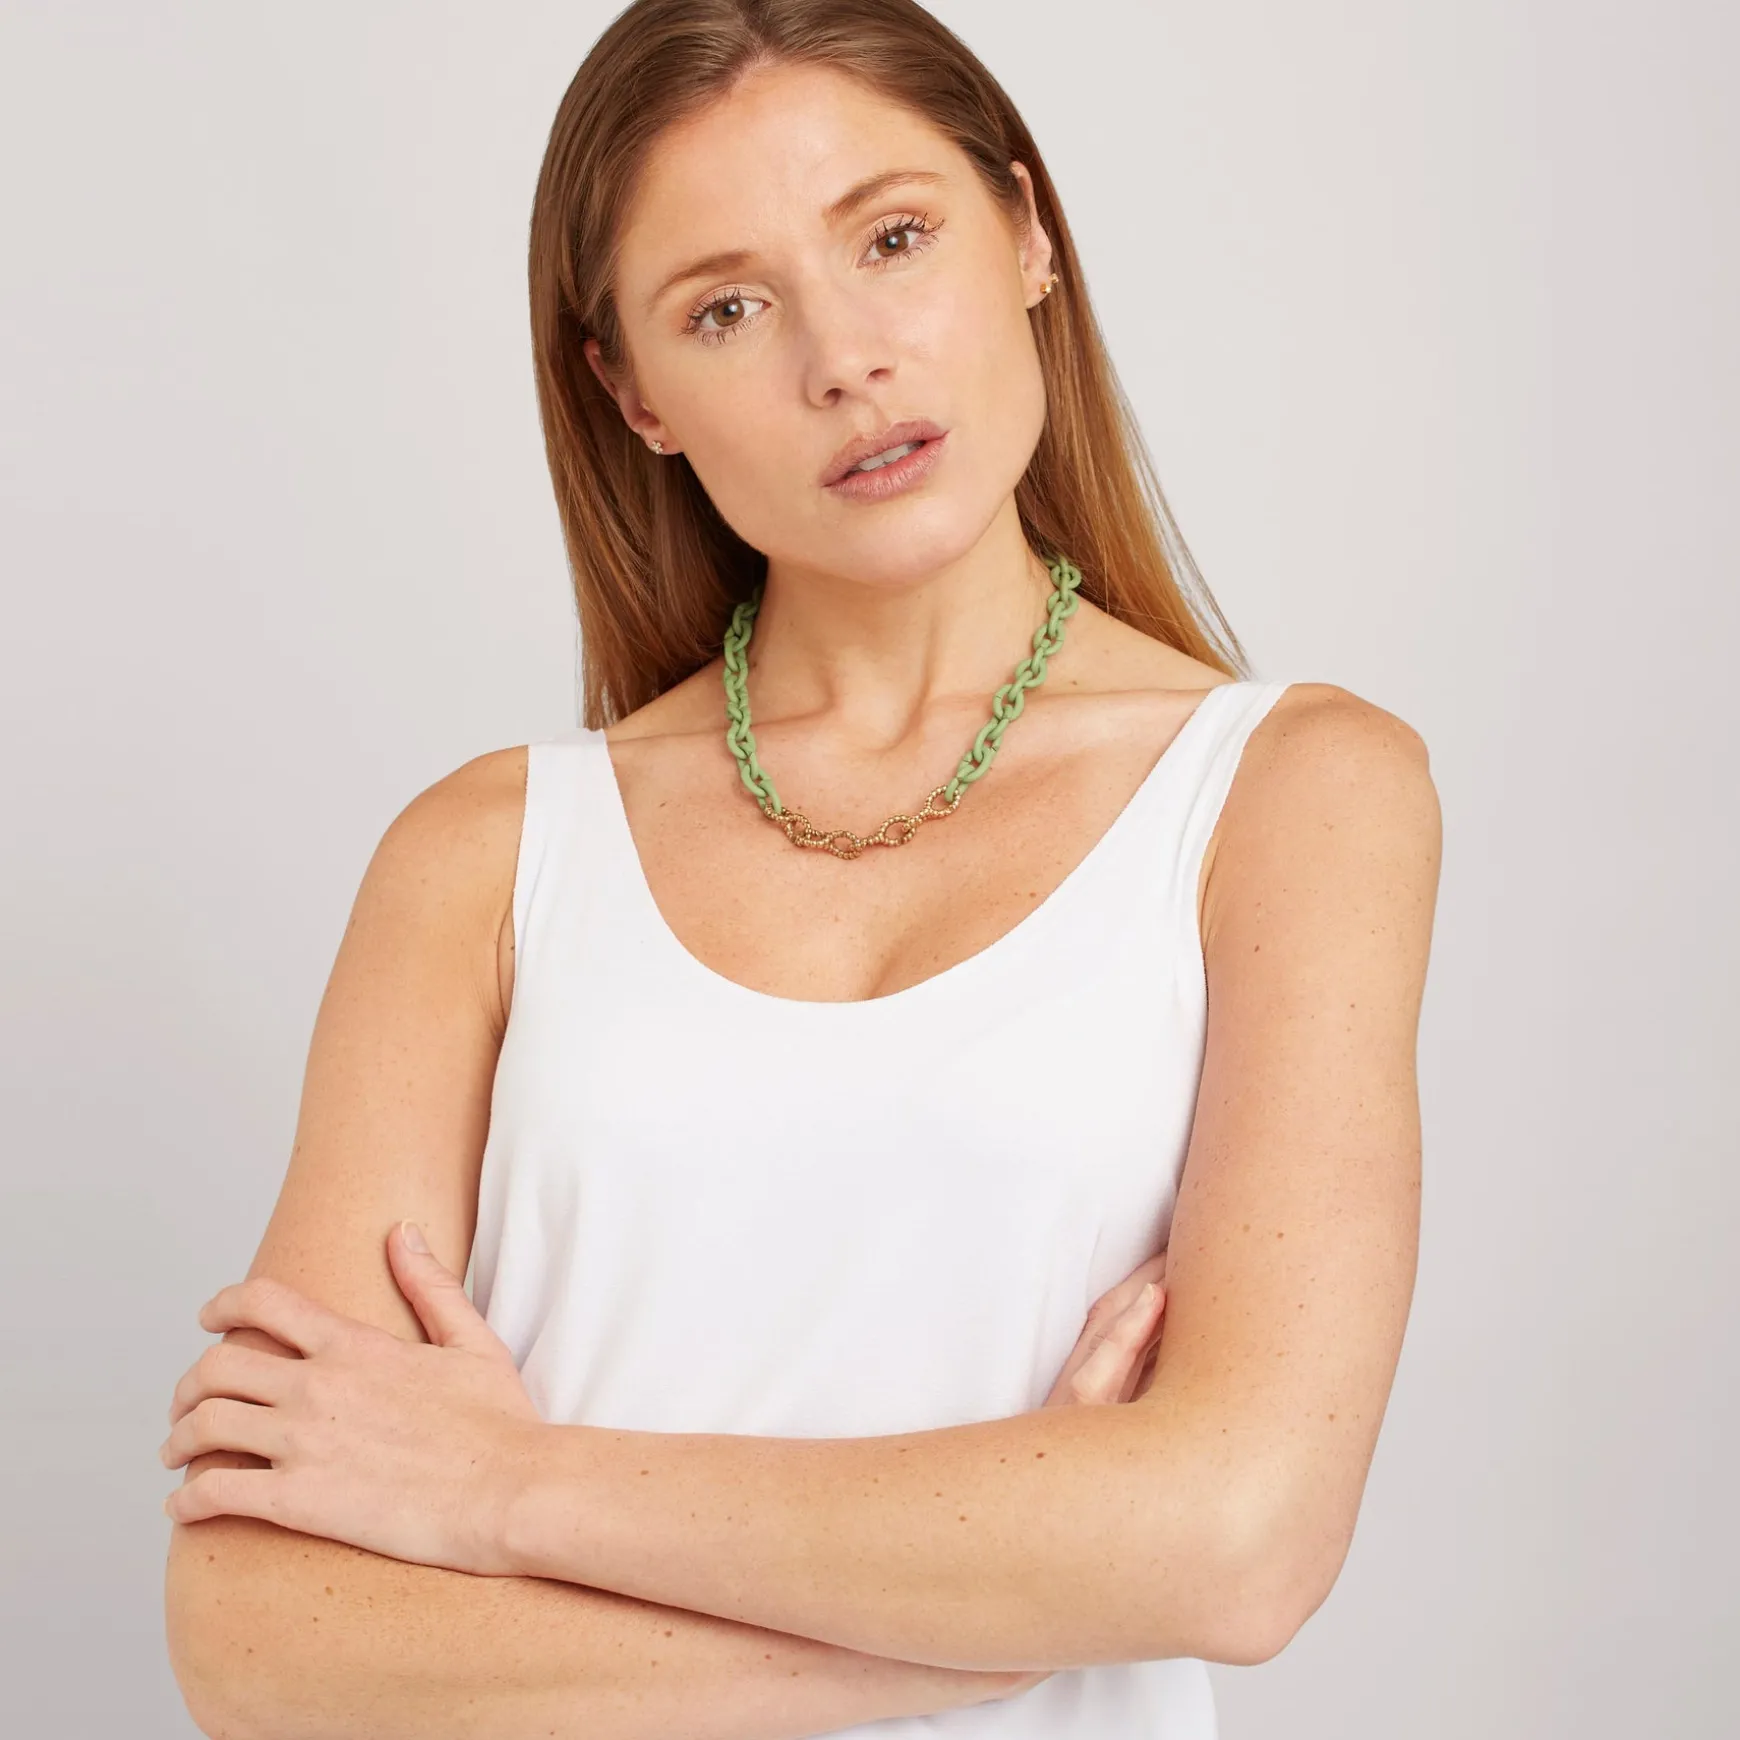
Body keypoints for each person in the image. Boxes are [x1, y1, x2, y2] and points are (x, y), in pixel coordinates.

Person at [160, 2, 1441, 1736]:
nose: (844, 359)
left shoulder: (1293, 795)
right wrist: (943, 1636)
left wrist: (506, 1487)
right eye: (727, 309)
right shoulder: (484, 855)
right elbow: (251, 1633)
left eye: (893, 238)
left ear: (1028, 233)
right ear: (633, 392)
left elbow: (1240, 1537)